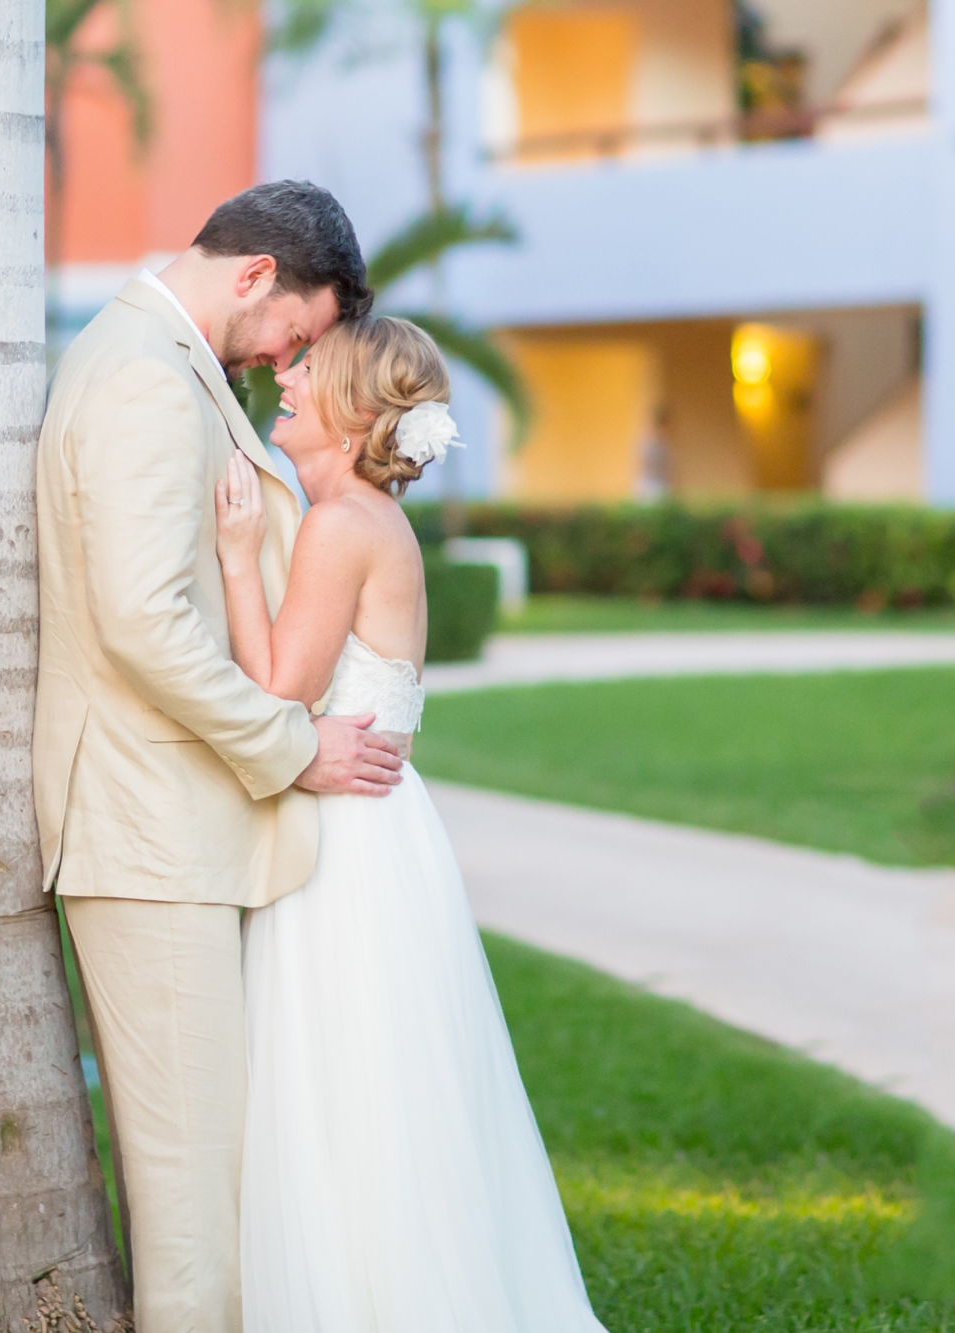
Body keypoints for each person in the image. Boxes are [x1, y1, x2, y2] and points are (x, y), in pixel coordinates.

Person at [33, 180, 406, 1333]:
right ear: (254, 278)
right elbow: (145, 622)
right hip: (147, 834)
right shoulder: (146, 377)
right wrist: (289, 746)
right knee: (195, 1205)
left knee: (211, 1181)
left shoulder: (155, 356)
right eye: (292, 335)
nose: (285, 361)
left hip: (171, 827)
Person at [214, 316, 610, 1331]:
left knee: (347, 1090)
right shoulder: (358, 519)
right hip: (381, 834)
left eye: (310, 372)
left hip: (347, 848)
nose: (287, 380)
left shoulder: (341, 525)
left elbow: (274, 688)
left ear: (351, 417)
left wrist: (233, 555)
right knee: (378, 1092)